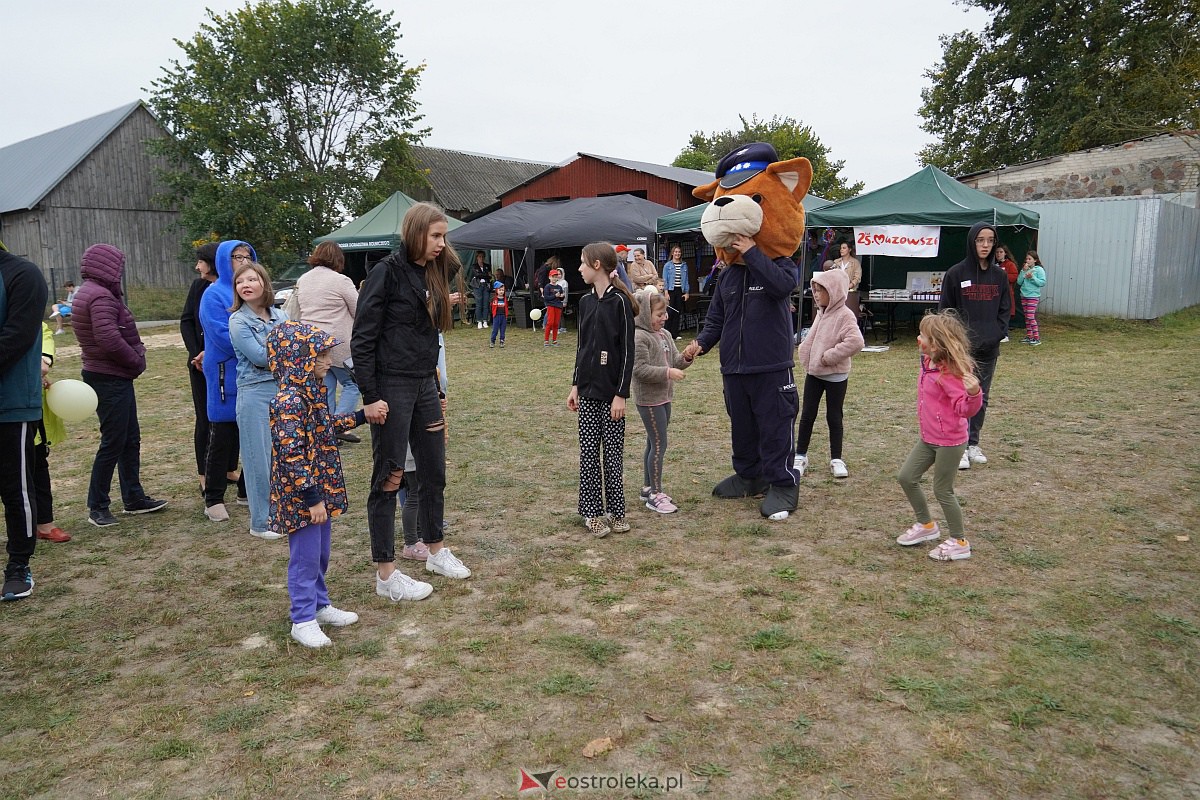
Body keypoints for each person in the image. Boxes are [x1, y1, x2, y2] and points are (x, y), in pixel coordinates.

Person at [352, 201, 471, 606]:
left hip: (424, 384)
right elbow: (362, 338)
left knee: (434, 470)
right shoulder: (386, 272)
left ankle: (436, 550)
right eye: (435, 235)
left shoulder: (433, 269)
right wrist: (370, 395)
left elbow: (452, 264)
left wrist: (436, 386)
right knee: (389, 476)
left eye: (444, 236)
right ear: (415, 231)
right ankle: (386, 573)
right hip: (391, 386)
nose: (442, 243)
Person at [682, 232, 802, 520]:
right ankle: (750, 476)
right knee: (742, 427)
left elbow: (783, 286)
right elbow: (716, 319)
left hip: (771, 367)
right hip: (734, 368)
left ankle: (784, 483)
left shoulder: (782, 265)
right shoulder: (728, 276)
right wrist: (701, 343)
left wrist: (753, 253)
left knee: (775, 427)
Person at [265, 321, 367, 648]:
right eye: (320, 356)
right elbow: (291, 454)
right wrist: (311, 498)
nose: (327, 361)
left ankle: (320, 606)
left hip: (318, 491)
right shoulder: (289, 401)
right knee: (305, 557)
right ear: (298, 360)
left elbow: (328, 426)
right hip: (303, 497)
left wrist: (364, 416)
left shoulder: (312, 393)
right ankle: (302, 619)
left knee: (320, 553)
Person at [72, 243, 168, 527]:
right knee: (114, 441)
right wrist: (136, 359)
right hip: (110, 376)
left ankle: (133, 497)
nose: (120, 272)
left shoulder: (89, 292)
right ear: (108, 267)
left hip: (109, 375)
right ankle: (97, 506)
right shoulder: (100, 297)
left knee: (129, 439)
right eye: (118, 266)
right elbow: (108, 339)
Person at [895, 311, 983, 561]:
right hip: (928, 438)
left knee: (942, 490)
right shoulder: (928, 364)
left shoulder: (950, 374)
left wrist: (974, 393)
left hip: (950, 442)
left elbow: (965, 410)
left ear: (935, 344)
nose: (918, 338)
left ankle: (960, 541)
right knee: (906, 477)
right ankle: (926, 526)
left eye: (922, 335)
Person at [568, 243, 637, 538]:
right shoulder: (584, 303)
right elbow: (582, 348)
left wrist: (620, 394)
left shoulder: (620, 302)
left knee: (612, 456)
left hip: (612, 397)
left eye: (583, 263)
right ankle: (593, 513)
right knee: (589, 454)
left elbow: (627, 352)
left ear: (597, 265)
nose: (579, 269)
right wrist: (575, 386)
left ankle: (616, 512)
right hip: (587, 393)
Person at [939, 221, 1010, 471]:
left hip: (989, 349)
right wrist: (955, 341)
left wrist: (997, 333)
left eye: (990, 240)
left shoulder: (999, 275)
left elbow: (1005, 310)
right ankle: (958, 447)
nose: (986, 245)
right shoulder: (956, 274)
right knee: (959, 397)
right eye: (981, 240)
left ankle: (973, 444)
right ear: (972, 241)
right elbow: (945, 312)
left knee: (982, 396)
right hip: (961, 350)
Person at [0, 243, 48, 600]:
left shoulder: (21, 274)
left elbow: (16, 337)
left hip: (10, 403)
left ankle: (19, 564)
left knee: (14, 488)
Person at [229, 260, 287, 540]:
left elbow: (294, 347)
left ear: (263, 283)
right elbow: (260, 357)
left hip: (283, 390)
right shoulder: (237, 320)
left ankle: (283, 513)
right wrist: (286, 347)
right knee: (258, 460)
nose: (245, 285)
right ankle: (261, 522)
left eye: (251, 280)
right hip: (254, 393)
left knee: (283, 457)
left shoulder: (279, 314)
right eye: (240, 282)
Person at [200, 241, 256, 520]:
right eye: (237, 256)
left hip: (254, 374)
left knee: (254, 434)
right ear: (224, 260)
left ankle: (247, 489)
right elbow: (221, 335)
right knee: (222, 435)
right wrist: (256, 349)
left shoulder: (251, 292)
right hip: (226, 371)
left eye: (248, 256)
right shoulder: (214, 295)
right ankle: (213, 498)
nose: (243, 261)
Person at [180, 243, 241, 498]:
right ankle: (204, 474)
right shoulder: (200, 287)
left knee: (233, 419)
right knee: (207, 419)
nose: (197, 267)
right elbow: (188, 321)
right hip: (202, 363)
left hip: (229, 363)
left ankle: (228, 469)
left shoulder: (238, 287)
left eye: (201, 261)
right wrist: (197, 351)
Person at [794, 268, 865, 480]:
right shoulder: (822, 312)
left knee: (834, 416)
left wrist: (829, 357)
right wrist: (805, 352)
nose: (815, 294)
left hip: (835, 376)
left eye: (820, 290)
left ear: (833, 291)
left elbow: (856, 342)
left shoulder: (845, 315)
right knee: (807, 415)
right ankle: (800, 456)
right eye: (814, 290)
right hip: (814, 374)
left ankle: (836, 458)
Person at [632, 288, 691, 513]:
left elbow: (675, 360)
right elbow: (639, 370)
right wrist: (667, 373)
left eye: (665, 313)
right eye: (659, 314)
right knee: (659, 444)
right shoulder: (639, 337)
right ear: (646, 314)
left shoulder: (664, 335)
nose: (664, 318)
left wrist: (687, 356)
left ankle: (648, 487)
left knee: (653, 441)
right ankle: (655, 494)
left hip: (664, 397)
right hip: (649, 399)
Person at [296, 241, 361, 442]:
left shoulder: (303, 279)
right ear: (338, 259)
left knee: (326, 386)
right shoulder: (341, 280)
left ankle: (325, 429)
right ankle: (339, 424)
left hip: (312, 342)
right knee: (353, 384)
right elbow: (358, 309)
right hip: (339, 342)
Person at [34, 323, 70, 543]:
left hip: (29, 401)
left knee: (38, 464)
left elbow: (43, 333)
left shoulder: (34, 321)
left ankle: (45, 525)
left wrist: (41, 362)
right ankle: (22, 527)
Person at [1017, 251, 1047, 346]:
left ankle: (1037, 338)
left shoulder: (1039, 270)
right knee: (1026, 317)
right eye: (1026, 259)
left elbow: (1042, 282)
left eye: (1029, 259)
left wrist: (1032, 277)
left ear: (1035, 260)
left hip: (1033, 296)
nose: (1027, 261)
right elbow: (1019, 282)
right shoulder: (1025, 269)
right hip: (1024, 295)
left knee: (1030, 316)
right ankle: (1029, 336)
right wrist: (1023, 271)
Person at [661, 245, 691, 339]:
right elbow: (664, 279)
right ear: (672, 253)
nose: (677, 253)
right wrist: (666, 292)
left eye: (679, 252)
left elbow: (686, 280)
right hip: (670, 290)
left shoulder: (684, 265)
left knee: (677, 312)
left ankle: (675, 333)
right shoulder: (667, 265)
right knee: (670, 311)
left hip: (680, 290)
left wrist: (687, 292)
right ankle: (667, 332)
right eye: (675, 252)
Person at [995, 244, 1019, 339]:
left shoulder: (1010, 264)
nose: (999, 254)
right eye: (997, 252)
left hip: (1006, 293)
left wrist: (1002, 275)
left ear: (1005, 253)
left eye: (1001, 252)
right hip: (996, 293)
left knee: (1005, 314)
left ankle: (1004, 334)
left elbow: (1014, 276)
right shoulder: (994, 264)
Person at [542, 267, 566, 346]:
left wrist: (562, 296)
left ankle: (554, 340)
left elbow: (562, 296)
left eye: (556, 277)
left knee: (556, 323)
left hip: (558, 306)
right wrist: (555, 296)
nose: (554, 278)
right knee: (550, 322)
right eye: (553, 277)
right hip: (551, 306)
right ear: (549, 277)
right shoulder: (547, 287)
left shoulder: (559, 287)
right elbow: (546, 298)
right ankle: (546, 340)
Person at [470, 251, 492, 328]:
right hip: (478, 286)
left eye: (482, 257)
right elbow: (477, 275)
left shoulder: (487, 266)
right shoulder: (474, 266)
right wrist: (484, 275)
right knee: (479, 304)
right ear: (477, 258)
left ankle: (485, 320)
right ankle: (479, 321)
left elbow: (489, 276)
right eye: (479, 257)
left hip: (486, 285)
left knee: (486, 303)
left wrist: (482, 275)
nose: (481, 258)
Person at [490, 282, 509, 348]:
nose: (501, 291)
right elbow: (491, 307)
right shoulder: (494, 299)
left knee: (503, 330)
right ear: (496, 290)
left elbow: (506, 307)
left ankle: (502, 341)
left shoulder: (505, 299)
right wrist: (493, 314)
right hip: (496, 316)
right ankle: (492, 341)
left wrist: (506, 315)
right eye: (500, 290)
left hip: (503, 316)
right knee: (495, 330)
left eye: (502, 290)